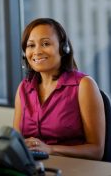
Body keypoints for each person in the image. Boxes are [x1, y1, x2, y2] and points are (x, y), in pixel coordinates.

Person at [13, 18, 105, 160]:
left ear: (64, 49)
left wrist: (50, 149)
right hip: (35, 168)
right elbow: (16, 141)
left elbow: (96, 151)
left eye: (45, 43)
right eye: (31, 45)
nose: (37, 51)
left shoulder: (84, 85)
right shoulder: (23, 89)